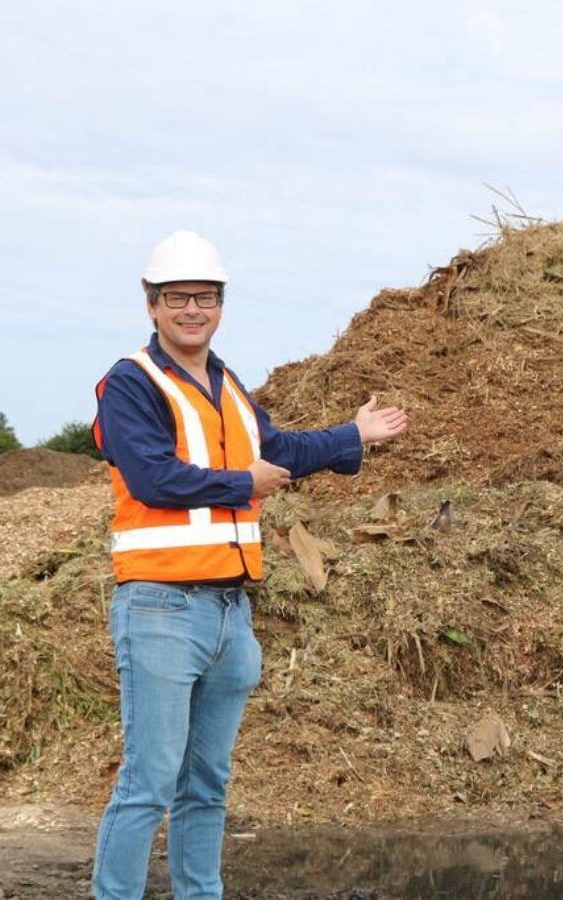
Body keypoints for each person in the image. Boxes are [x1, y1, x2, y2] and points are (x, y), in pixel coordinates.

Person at [90, 230, 407, 899]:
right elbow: (152, 477)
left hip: (230, 612)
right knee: (148, 784)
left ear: (221, 304)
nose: (192, 310)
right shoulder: (131, 384)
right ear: (151, 305)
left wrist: (353, 436)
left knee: (207, 783)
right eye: (177, 297)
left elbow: (278, 450)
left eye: (204, 297)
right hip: (161, 608)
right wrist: (244, 484)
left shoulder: (227, 384)